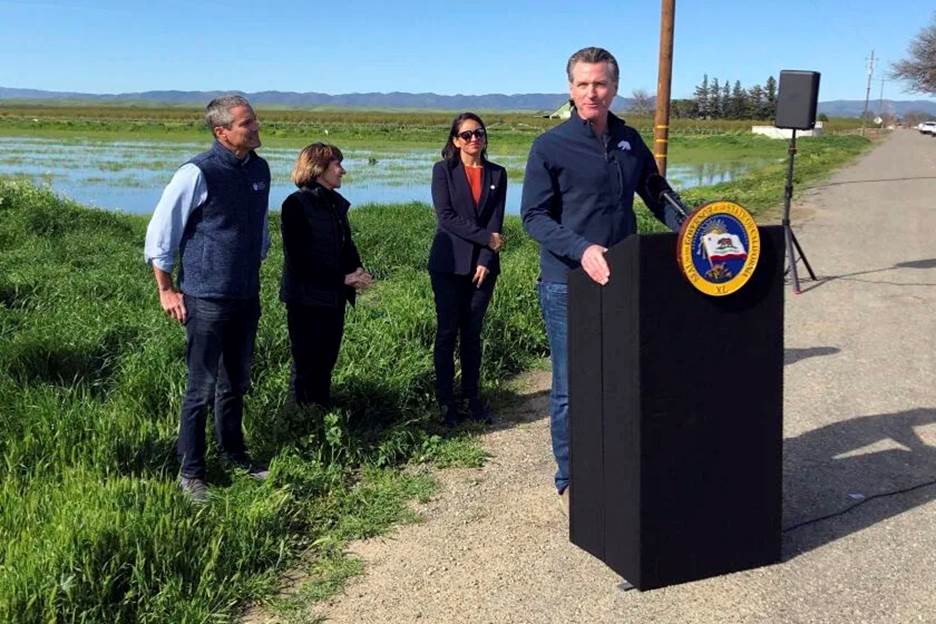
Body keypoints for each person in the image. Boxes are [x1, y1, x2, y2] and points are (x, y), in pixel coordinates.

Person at [520, 47, 681, 512]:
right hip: (566, 282)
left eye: (601, 84)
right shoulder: (550, 147)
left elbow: (657, 194)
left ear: (615, 87)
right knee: (573, 384)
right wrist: (583, 248)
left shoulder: (630, 141)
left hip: (623, 277)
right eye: (583, 84)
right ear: (570, 89)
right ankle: (571, 479)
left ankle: (619, 463)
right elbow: (534, 217)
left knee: (622, 375)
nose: (592, 92)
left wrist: (694, 230)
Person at [144, 95, 272, 502]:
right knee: (201, 386)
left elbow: (259, 225)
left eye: (253, 121)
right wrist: (166, 288)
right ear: (222, 132)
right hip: (205, 297)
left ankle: (235, 454)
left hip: (245, 293)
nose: (255, 128)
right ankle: (192, 472)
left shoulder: (259, 169)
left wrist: (255, 257)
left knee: (236, 382)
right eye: (246, 124)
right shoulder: (197, 172)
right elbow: (162, 232)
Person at [428, 113, 507, 427]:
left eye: (479, 133)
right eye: (466, 135)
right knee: (447, 331)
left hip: (482, 268)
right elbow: (446, 216)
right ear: (455, 140)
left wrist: (486, 258)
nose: (474, 139)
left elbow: (496, 221)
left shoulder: (497, 174)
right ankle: (446, 402)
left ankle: (472, 398)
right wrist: (486, 238)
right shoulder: (443, 171)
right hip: (448, 265)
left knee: (472, 334)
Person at [280, 143, 372, 409]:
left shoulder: (334, 204)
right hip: (306, 298)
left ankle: (321, 414)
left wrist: (357, 271)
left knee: (326, 360)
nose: (342, 171)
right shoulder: (296, 204)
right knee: (306, 363)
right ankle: (299, 422)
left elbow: (345, 246)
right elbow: (299, 261)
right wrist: (342, 279)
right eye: (337, 165)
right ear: (318, 168)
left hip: (332, 297)